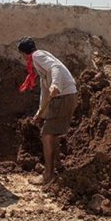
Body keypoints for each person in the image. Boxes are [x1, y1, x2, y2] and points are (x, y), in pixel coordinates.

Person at [17, 36, 78, 186]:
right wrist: (40, 114)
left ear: (24, 54)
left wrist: (55, 84)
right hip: (67, 97)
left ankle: (48, 175)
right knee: (53, 135)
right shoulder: (41, 69)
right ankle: (57, 166)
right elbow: (45, 94)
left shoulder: (37, 56)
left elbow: (55, 68)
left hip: (63, 97)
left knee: (46, 135)